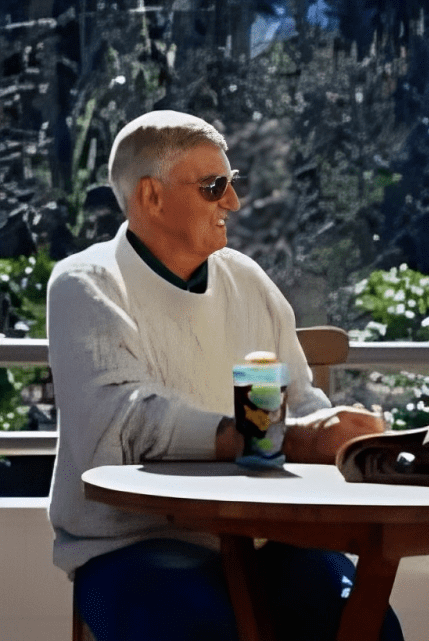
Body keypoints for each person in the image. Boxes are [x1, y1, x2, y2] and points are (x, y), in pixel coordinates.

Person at [47, 110, 403, 641]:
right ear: (151, 196)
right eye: (214, 186)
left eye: (232, 184)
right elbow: (120, 429)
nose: (232, 202)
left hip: (266, 537)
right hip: (132, 544)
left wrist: (342, 435)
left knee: (369, 624)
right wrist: (280, 436)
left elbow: (301, 401)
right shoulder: (86, 283)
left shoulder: (247, 279)